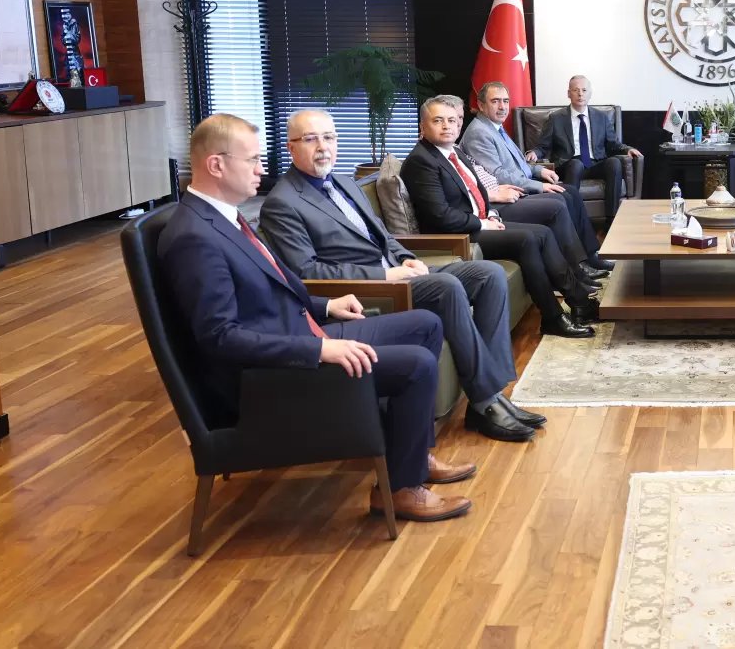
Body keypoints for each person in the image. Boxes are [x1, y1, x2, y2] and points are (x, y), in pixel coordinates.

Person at [159, 114, 473, 523]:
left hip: (297, 333)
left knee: (424, 324)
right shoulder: (194, 236)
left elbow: (271, 286)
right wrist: (320, 350)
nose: (261, 169)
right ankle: (400, 489)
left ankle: (410, 456)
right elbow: (220, 337)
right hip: (269, 378)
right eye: (252, 160)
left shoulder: (222, 217)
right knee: (416, 364)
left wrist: (325, 307)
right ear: (216, 165)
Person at [260, 109, 545, 443]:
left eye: (329, 137)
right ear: (291, 147)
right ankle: (485, 404)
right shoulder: (282, 203)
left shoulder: (343, 182)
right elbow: (306, 272)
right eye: (311, 139)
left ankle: (494, 394)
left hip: (397, 272)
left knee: (489, 274)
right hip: (368, 289)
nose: (323, 147)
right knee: (446, 286)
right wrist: (385, 273)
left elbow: (383, 235)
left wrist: (406, 258)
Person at [402, 98, 598, 338]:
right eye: (438, 121)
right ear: (423, 126)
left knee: (543, 233)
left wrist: (492, 214)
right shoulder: (421, 161)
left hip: (477, 222)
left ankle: (579, 302)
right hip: (455, 235)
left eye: (451, 120)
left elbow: (478, 192)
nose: (447, 126)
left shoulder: (453, 152)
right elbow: (440, 216)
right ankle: (553, 317)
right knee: (526, 239)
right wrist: (482, 223)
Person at [460, 81, 614, 272]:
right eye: (495, 101)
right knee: (562, 198)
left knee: (571, 192)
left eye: (505, 101)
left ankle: (590, 255)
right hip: (507, 195)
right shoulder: (479, 133)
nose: (502, 107)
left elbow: (518, 164)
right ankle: (577, 265)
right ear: (481, 105)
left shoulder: (495, 127)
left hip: (520, 185)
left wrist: (539, 171)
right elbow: (498, 175)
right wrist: (539, 186)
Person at [526, 75, 642, 221]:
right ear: (569, 94)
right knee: (576, 163)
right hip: (570, 164)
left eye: (584, 90)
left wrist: (626, 149)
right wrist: (534, 152)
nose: (580, 94)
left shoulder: (601, 117)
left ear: (590, 93)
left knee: (614, 163)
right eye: (576, 90)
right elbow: (543, 145)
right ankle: (572, 219)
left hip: (595, 163)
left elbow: (613, 143)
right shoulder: (556, 118)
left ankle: (611, 219)